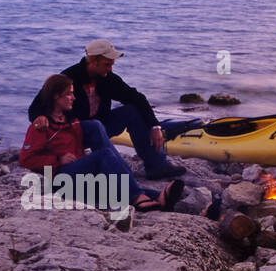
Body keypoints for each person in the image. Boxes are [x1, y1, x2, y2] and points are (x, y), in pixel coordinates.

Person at [20, 74, 183, 212]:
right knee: (104, 154)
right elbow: (26, 159)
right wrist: (57, 160)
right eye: (69, 94)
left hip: (79, 178)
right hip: (59, 180)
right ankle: (138, 198)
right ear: (56, 96)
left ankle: (158, 198)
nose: (74, 98)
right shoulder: (41, 126)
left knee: (113, 184)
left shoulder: (72, 121)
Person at [27, 39, 186, 179]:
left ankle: (156, 166)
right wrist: (39, 116)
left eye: (112, 64)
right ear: (93, 61)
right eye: (107, 64)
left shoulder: (108, 79)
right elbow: (36, 106)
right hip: (74, 132)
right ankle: (120, 175)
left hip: (101, 125)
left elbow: (137, 98)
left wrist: (155, 126)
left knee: (132, 111)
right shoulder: (68, 77)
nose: (110, 68)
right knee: (95, 126)